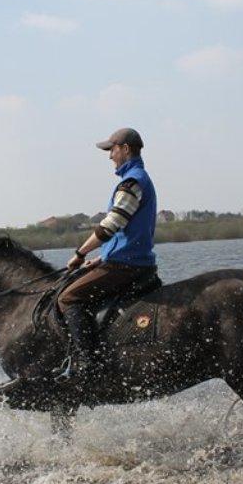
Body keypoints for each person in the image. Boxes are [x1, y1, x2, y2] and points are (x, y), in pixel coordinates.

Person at [58, 127, 157, 389]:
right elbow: (125, 233)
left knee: (68, 297)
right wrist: (101, 258)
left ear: (125, 149)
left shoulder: (132, 182)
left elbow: (111, 224)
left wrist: (81, 253)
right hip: (123, 260)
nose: (109, 156)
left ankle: (90, 365)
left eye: (111, 150)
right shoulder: (135, 179)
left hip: (127, 266)